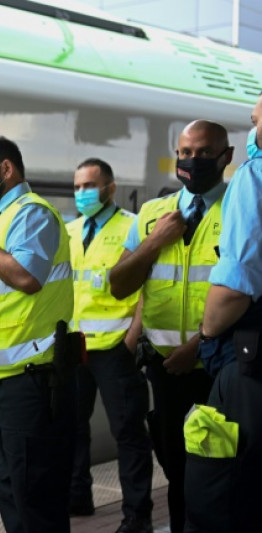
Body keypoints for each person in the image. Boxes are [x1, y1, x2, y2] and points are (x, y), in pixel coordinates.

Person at [109, 120, 231, 533]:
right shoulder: (151, 214)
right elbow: (119, 284)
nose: (192, 161)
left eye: (203, 153)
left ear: (226, 157)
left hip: (219, 369)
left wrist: (198, 347)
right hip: (163, 372)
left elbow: (251, 295)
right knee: (176, 474)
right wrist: (153, 242)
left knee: (220, 474)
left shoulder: (241, 212)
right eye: (184, 153)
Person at [0, 136, 75, 533]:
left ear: (5, 169)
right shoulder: (0, 222)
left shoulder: (31, 214)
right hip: (4, 380)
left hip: (32, 379)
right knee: (12, 491)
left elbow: (27, 278)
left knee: (35, 500)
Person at [183, 93, 262, 533]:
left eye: (256, 121)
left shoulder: (254, 176)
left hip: (249, 359)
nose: (254, 131)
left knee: (224, 493)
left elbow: (235, 285)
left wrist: (208, 332)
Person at [67, 158, 153, 533]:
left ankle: (137, 516)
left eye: (90, 185)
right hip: (75, 345)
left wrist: (132, 339)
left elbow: (149, 288)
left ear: (110, 188)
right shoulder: (69, 231)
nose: (82, 193)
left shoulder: (133, 227)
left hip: (115, 349)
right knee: (71, 428)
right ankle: (77, 498)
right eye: (77, 187)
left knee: (129, 434)